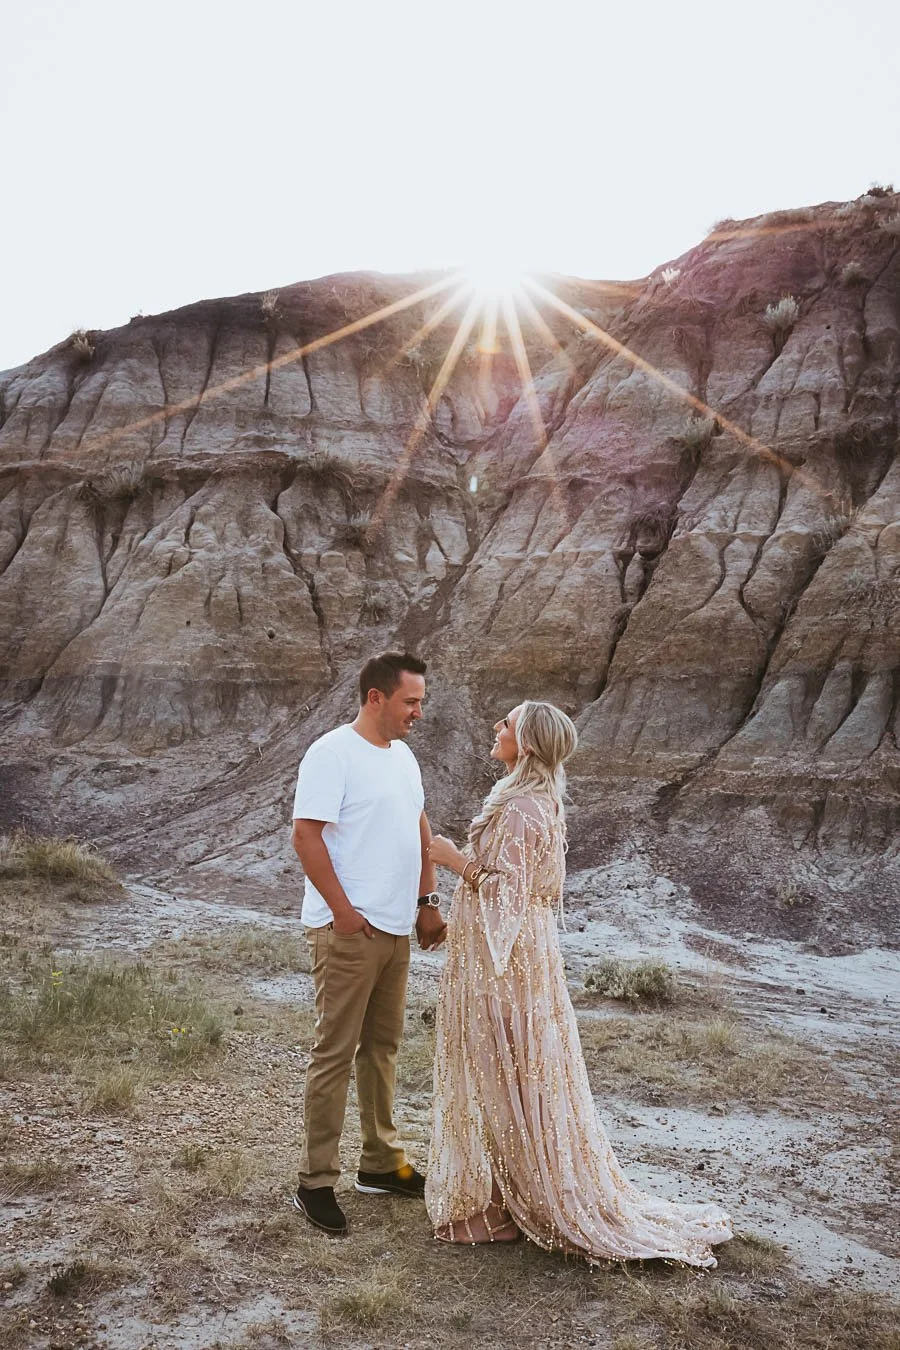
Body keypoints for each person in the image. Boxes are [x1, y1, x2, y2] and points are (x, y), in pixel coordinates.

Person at [426, 701, 732, 1266]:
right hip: (525, 958)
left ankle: (517, 1203)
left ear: (530, 744)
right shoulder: (540, 802)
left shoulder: (522, 807)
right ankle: (511, 1195)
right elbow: (528, 886)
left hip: (507, 965)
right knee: (517, 1072)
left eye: (508, 724)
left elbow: (510, 893)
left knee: (505, 1071)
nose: (497, 729)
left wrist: (453, 861)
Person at [291, 651, 447, 1236]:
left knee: (381, 1050)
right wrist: (343, 913)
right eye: (411, 701)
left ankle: (380, 1165)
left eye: (421, 702)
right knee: (334, 1052)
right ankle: (315, 1182)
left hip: (397, 929)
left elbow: (420, 826)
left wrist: (427, 902)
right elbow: (305, 836)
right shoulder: (332, 753)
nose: (418, 712)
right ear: (376, 698)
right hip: (348, 932)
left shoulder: (403, 757)